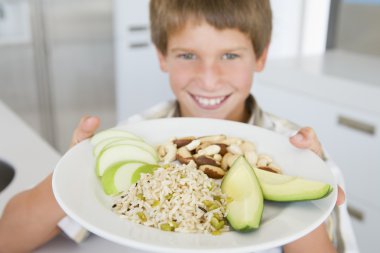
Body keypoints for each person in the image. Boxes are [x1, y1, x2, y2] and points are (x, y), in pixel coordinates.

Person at [0, 1, 355, 252]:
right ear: (161, 56)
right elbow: (8, 239)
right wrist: (73, 173)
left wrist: (303, 200)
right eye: (188, 55)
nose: (209, 78)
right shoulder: (137, 137)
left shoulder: (297, 151)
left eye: (230, 55)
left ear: (260, 57)